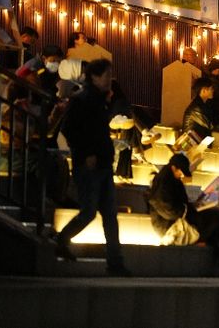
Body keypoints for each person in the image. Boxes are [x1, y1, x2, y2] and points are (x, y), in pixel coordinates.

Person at [56, 59, 130, 276]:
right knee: (89, 212)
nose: (109, 79)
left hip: (103, 163)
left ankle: (115, 262)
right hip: (89, 165)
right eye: (106, 75)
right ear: (95, 77)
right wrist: (86, 153)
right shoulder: (83, 99)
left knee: (109, 215)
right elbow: (69, 129)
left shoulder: (99, 100)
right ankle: (62, 238)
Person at [147, 153, 219, 275]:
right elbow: (170, 212)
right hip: (171, 228)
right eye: (180, 172)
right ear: (173, 168)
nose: (181, 175)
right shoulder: (162, 185)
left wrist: (194, 206)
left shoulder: (171, 181)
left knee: (217, 227)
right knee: (216, 218)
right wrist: (189, 208)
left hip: (181, 222)